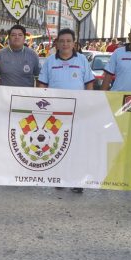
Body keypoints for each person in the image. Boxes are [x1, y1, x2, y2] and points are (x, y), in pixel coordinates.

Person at [38, 28, 94, 193]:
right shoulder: (49, 61)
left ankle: (77, 181)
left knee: (77, 146)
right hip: (55, 113)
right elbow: (42, 85)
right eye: (62, 41)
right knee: (58, 145)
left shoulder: (82, 60)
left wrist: (88, 103)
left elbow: (89, 83)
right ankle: (60, 177)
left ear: (74, 43)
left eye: (68, 41)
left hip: (78, 112)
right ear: (57, 43)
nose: (65, 44)